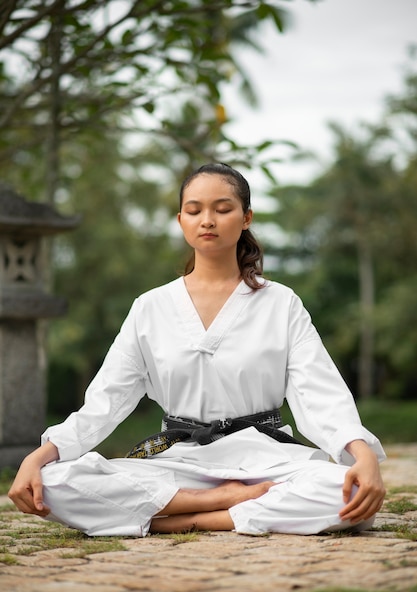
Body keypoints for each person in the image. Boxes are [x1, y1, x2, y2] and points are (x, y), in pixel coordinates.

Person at [8, 163, 386, 537]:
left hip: (266, 459)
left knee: (350, 494)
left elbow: (319, 392)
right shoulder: (150, 307)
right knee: (54, 482)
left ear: (246, 217)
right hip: (178, 461)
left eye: (223, 209)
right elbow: (105, 401)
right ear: (181, 220)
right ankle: (216, 502)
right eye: (194, 210)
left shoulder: (280, 303)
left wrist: (363, 455)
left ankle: (190, 518)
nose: (208, 220)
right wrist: (41, 455)